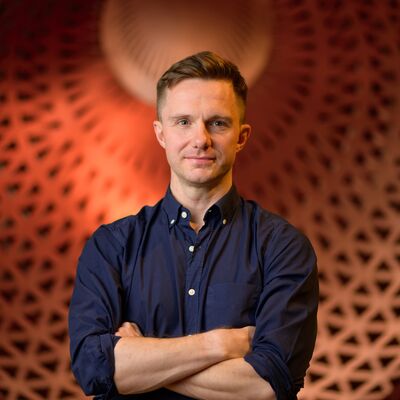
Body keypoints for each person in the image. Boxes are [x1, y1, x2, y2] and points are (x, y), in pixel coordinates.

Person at [68, 51, 318, 400]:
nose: (200, 139)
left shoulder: (283, 248)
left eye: (217, 122)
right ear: (161, 133)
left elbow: (267, 384)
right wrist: (221, 344)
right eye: (182, 122)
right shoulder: (112, 246)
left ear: (242, 136)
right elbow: (94, 370)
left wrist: (139, 359)